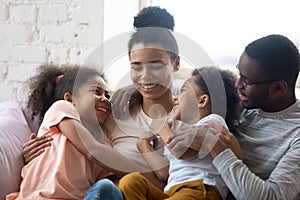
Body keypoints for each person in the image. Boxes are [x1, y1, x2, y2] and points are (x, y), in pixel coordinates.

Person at [22, 6, 179, 190]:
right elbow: (85, 145)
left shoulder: (185, 115)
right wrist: (30, 155)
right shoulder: (114, 112)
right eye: (136, 66)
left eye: (156, 65)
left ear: (176, 64)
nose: (145, 75)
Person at [167, 34, 300, 199]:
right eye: (239, 74)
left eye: (246, 81)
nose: (238, 85)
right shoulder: (242, 104)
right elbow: (192, 95)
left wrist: (215, 146)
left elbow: (270, 197)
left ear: (278, 87)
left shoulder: (296, 134)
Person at [7, 64, 146, 200]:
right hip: (39, 197)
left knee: (108, 189)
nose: (105, 99)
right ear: (70, 98)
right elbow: (93, 151)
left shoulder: (104, 144)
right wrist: (145, 172)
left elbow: (112, 175)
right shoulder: (62, 109)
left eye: (107, 96)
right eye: (96, 92)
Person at [118, 67, 242, 200]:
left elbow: (181, 151)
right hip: (173, 193)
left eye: (183, 91)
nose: (175, 98)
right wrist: (143, 145)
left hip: (201, 189)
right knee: (131, 181)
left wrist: (161, 126)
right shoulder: (178, 131)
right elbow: (163, 173)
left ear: (202, 101)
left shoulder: (214, 122)